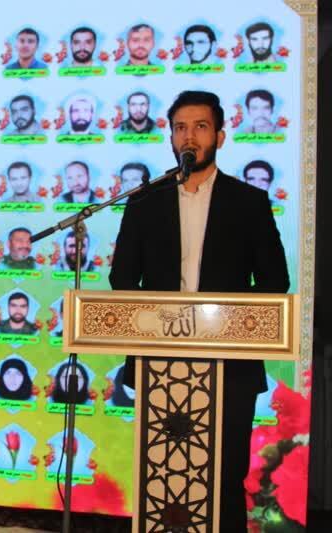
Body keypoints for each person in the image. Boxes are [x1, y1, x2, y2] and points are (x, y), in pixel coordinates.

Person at [109, 90, 289, 532]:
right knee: (162, 474)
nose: (190, 136)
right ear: (171, 137)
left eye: (201, 127)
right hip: (159, 365)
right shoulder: (144, 201)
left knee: (224, 478)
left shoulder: (249, 202)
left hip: (229, 368)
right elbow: (122, 278)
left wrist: (224, 321)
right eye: (181, 128)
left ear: (220, 137)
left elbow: (274, 281)